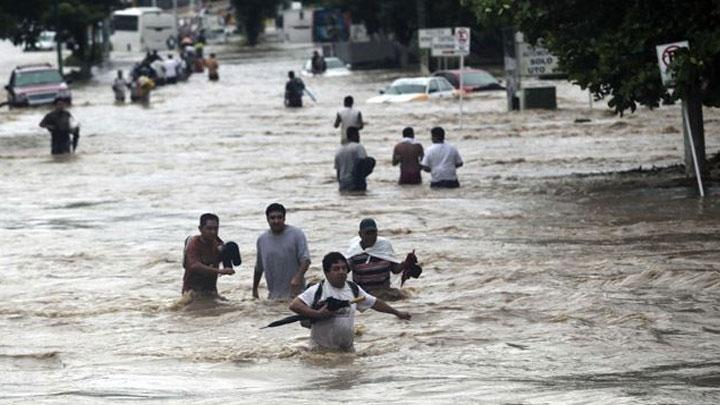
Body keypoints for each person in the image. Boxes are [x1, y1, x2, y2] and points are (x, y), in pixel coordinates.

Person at [289, 251, 411, 352]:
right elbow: (294, 305)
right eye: (336, 269)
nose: (341, 272)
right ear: (327, 273)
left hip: (347, 350)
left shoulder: (353, 289)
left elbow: (375, 303)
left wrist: (397, 313)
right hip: (322, 352)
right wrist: (318, 314)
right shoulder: (318, 290)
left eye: (343, 268)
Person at [346, 218, 418, 297]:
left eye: (373, 232)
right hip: (364, 295)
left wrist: (406, 263)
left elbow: (395, 269)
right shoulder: (355, 253)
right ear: (360, 234)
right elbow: (343, 270)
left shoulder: (384, 248)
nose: (371, 236)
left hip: (385, 292)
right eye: (367, 233)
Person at [254, 203, 311, 300]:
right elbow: (259, 268)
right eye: (272, 218)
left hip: (297, 295)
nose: (276, 221)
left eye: (279, 217)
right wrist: (254, 290)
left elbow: (306, 260)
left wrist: (298, 277)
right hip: (273, 297)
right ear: (267, 219)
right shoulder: (262, 239)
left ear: (284, 218)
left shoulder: (297, 234)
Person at [182, 213, 236, 298]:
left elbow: (224, 258)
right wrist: (220, 271)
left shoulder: (218, 243)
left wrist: (228, 265)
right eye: (209, 228)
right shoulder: (193, 243)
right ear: (200, 229)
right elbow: (194, 265)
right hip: (192, 292)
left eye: (216, 228)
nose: (213, 232)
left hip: (211, 291)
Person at [334, 127, 374, 192]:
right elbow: (363, 163)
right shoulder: (358, 147)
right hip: (355, 181)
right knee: (371, 160)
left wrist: (340, 183)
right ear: (354, 135)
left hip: (343, 182)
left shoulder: (339, 150)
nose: (359, 137)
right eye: (358, 135)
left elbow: (338, 171)